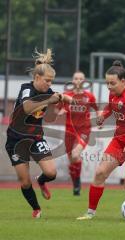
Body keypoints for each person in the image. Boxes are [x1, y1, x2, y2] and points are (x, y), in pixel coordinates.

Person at [77, 60, 125, 220]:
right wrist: (103, 116)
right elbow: (111, 106)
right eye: (107, 83)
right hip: (119, 142)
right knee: (100, 173)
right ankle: (90, 213)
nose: (109, 87)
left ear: (123, 82)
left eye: (112, 83)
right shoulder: (113, 93)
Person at [5, 49, 74, 218]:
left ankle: (41, 181)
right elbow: (28, 107)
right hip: (16, 141)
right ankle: (36, 209)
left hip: (35, 138)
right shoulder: (26, 89)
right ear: (37, 78)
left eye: (51, 81)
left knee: (51, 173)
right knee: (24, 180)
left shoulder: (48, 92)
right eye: (47, 81)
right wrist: (52, 99)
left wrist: (67, 101)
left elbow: (54, 107)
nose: (49, 84)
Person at [53, 71, 98, 195]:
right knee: (72, 160)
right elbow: (56, 110)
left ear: (84, 81)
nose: (78, 80)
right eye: (76, 78)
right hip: (69, 131)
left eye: (81, 78)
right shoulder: (66, 95)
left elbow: (97, 110)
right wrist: (60, 111)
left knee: (75, 154)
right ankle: (76, 184)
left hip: (84, 130)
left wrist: (100, 120)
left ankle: (77, 184)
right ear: (73, 81)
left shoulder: (89, 96)